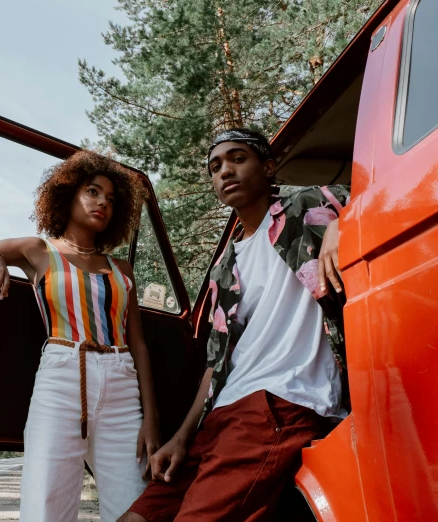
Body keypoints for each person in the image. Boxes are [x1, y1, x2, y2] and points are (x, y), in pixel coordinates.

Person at [119, 128, 350, 522]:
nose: (225, 170)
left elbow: (386, 189)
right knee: (139, 516)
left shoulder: (311, 204)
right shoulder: (225, 267)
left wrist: (343, 224)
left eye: (238, 158)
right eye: (215, 166)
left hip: (280, 400)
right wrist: (182, 436)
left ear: (268, 166)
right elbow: (215, 363)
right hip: (221, 414)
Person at [0, 150, 160, 522]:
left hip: (123, 387)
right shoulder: (38, 251)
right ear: (68, 194)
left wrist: (151, 419)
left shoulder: (121, 269)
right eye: (92, 191)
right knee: (46, 507)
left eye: (110, 198)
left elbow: (138, 344)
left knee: (136, 506)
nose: (102, 202)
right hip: (62, 378)